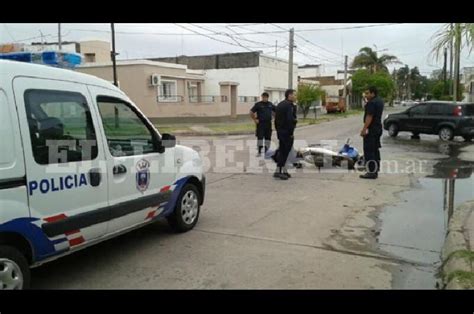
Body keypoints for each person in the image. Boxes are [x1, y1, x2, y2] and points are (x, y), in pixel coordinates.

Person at [359, 86, 384, 179]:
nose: (366, 95)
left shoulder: (372, 103)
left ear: (373, 93)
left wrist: (364, 129)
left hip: (371, 129)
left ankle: (371, 172)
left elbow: (369, 117)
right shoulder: (379, 101)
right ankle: (376, 170)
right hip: (377, 129)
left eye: (367, 93)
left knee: (369, 151)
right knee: (375, 150)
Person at [274, 89, 297, 180]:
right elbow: (290, 120)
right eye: (294, 95)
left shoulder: (280, 104)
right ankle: (279, 172)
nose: (295, 96)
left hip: (280, 132)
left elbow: (276, 120)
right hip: (287, 132)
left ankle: (281, 170)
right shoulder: (289, 106)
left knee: (282, 151)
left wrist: (278, 130)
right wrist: (291, 132)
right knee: (284, 152)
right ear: (290, 95)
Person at [250, 92, 275, 157]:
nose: (264, 98)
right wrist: (255, 119)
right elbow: (251, 112)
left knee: (268, 138)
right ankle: (259, 151)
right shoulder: (258, 104)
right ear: (262, 97)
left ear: (267, 97)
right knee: (260, 138)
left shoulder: (270, 104)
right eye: (263, 97)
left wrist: (274, 117)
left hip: (268, 124)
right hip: (260, 124)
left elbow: (276, 110)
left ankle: (267, 151)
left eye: (266, 97)